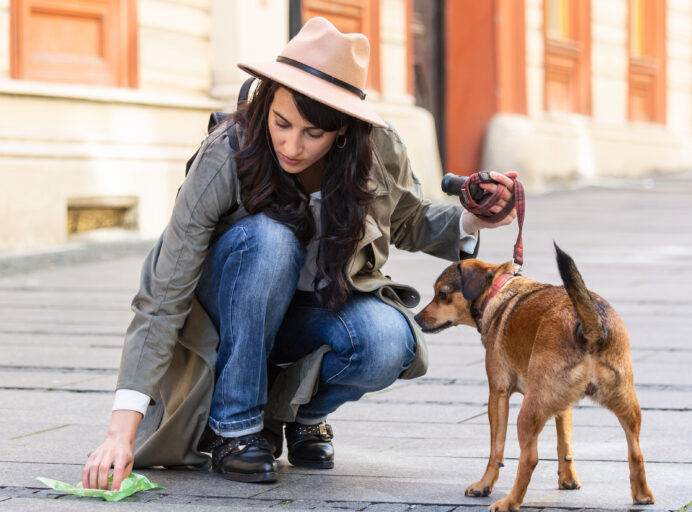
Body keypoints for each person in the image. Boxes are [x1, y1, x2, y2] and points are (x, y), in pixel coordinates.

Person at [82, 16, 518, 490]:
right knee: (270, 238)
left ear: (343, 132)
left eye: (313, 133)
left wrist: (477, 218)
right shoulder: (227, 153)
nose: (292, 145)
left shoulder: (376, 148)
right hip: (225, 313)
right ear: (267, 102)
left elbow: (409, 220)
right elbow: (163, 292)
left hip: (309, 312)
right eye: (281, 123)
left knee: (389, 340)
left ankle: (299, 414)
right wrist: (118, 435)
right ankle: (236, 428)